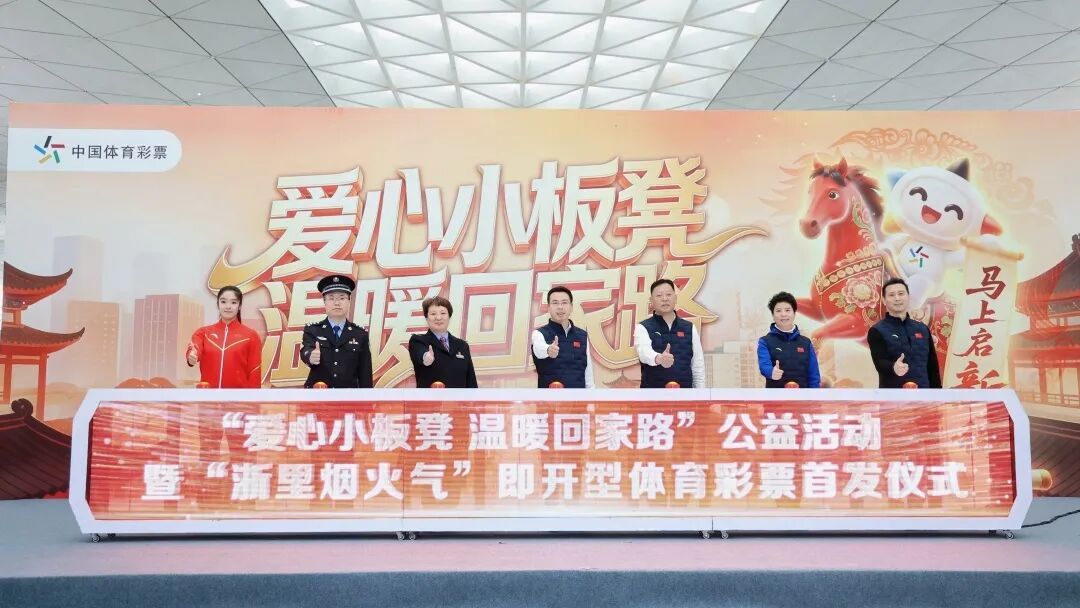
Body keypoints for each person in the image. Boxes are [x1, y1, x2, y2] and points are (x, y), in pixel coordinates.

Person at [299, 274, 373, 388]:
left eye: (342, 298)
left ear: (349, 301)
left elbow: (365, 373)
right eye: (331, 298)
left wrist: (367, 397)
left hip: (348, 395)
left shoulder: (360, 334)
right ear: (324, 302)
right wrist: (310, 356)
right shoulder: (313, 330)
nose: (337, 303)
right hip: (318, 394)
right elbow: (306, 349)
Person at [867, 278, 942, 389]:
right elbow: (879, 362)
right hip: (892, 395)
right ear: (884, 300)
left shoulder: (922, 329)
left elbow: (932, 366)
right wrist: (893, 367)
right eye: (891, 295)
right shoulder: (877, 330)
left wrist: (937, 392)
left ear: (908, 297)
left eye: (901, 294)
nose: (897, 298)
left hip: (924, 394)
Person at [634, 279, 705, 388]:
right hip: (652, 395)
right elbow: (643, 352)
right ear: (651, 301)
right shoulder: (643, 327)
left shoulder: (689, 328)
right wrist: (659, 358)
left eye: (668, 294)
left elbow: (697, 366)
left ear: (675, 298)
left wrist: (700, 394)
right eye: (659, 295)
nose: (665, 299)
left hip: (685, 395)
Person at [186, 285, 262, 388]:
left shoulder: (251, 336)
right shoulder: (203, 333)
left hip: (238, 397)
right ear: (218, 304)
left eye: (233, 302)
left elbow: (254, 372)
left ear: (239, 306)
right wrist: (192, 356)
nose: (228, 306)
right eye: (223, 302)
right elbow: (195, 348)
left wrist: (253, 397)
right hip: (209, 396)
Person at [531, 286, 595, 388]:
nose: (560, 307)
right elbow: (538, 349)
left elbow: (588, 374)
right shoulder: (539, 334)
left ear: (571, 306)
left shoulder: (582, 335)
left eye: (564, 302)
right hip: (549, 397)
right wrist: (548, 349)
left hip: (578, 397)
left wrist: (591, 394)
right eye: (555, 303)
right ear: (548, 307)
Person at [408, 296, 478, 388]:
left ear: (449, 316)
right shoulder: (418, 341)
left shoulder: (462, 345)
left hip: (459, 397)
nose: (438, 317)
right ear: (426, 317)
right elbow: (420, 353)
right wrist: (426, 358)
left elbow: (471, 381)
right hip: (430, 397)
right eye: (433, 314)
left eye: (443, 313)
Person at [756, 291, 820, 388]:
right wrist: (771, 372)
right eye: (778, 311)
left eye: (787, 310)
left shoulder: (806, 342)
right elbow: (764, 365)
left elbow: (813, 374)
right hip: (775, 396)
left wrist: (814, 394)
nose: (783, 314)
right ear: (773, 315)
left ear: (794, 313)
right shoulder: (765, 341)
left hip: (803, 396)